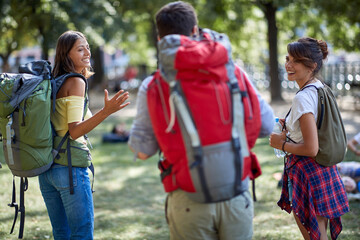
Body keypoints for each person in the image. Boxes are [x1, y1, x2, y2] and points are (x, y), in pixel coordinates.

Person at [128, 1, 274, 239]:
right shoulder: (234, 73)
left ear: (160, 39)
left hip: (188, 196)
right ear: (195, 31)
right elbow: (267, 126)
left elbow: (143, 151)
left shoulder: (153, 85)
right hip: (237, 191)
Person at [38, 30, 130, 240]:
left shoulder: (54, 81)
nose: (87, 51)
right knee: (81, 235)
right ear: (66, 54)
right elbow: (75, 130)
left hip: (47, 170)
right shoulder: (76, 82)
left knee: (61, 234)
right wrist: (106, 111)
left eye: (87, 46)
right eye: (80, 49)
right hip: (69, 170)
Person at [269, 37, 349, 240]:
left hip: (308, 171)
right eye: (288, 58)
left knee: (313, 236)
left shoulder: (302, 97)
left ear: (311, 65)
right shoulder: (320, 87)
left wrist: (282, 144)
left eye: (295, 61)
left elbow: (311, 148)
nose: (288, 64)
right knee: (319, 232)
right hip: (324, 169)